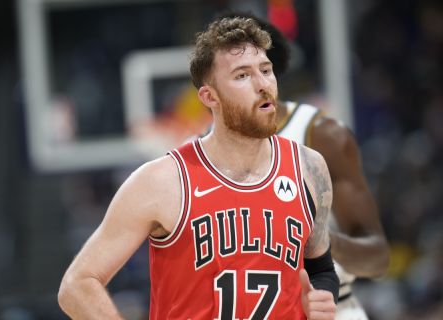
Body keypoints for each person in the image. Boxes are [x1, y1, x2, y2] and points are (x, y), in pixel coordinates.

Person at [58, 16, 339, 319]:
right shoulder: (163, 181)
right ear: (209, 97)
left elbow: (321, 269)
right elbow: (76, 286)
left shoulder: (309, 168)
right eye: (242, 75)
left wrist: (322, 298)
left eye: (266, 70)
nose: (262, 85)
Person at [205, 12, 391, 320]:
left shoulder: (321, 135)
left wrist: (317, 240)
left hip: (330, 308)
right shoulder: (199, 153)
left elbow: (377, 259)